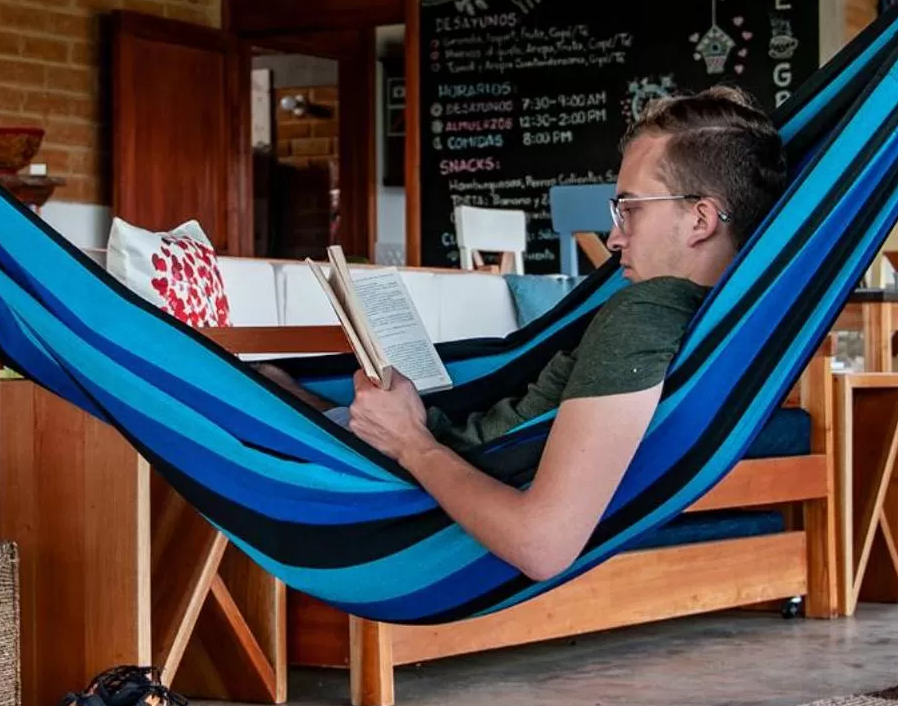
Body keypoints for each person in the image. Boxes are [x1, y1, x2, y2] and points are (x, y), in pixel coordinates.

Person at [270, 86, 786, 582]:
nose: (614, 237)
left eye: (631, 209)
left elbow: (544, 543)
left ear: (700, 219)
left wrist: (410, 443)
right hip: (449, 453)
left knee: (237, 418)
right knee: (277, 387)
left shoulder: (645, 312)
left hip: (422, 487)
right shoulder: (724, 316)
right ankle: (294, 397)